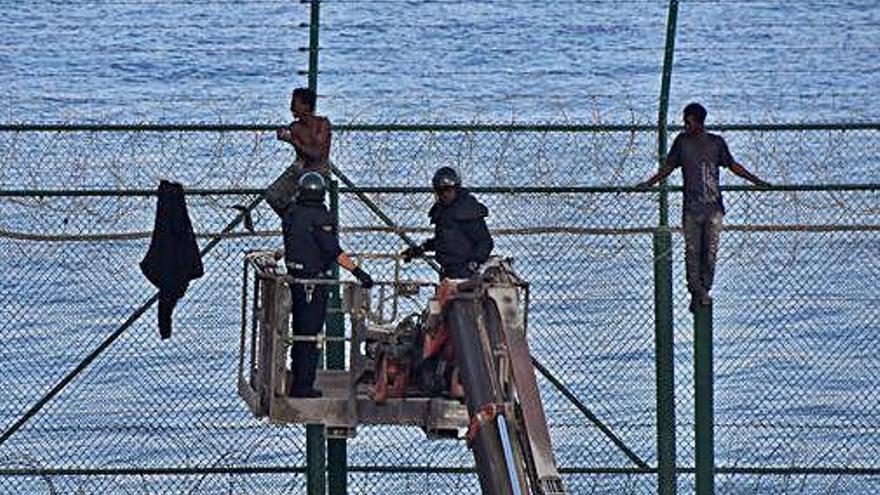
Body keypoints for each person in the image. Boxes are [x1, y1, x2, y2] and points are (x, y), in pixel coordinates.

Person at [637, 102, 771, 312]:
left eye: (688, 121)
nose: (685, 125)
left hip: (713, 208)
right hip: (692, 209)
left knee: (710, 252)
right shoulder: (682, 143)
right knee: (692, 251)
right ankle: (696, 291)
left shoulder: (716, 143)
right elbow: (669, 167)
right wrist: (648, 183)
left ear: (698, 121)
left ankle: (705, 289)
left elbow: (733, 165)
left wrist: (757, 181)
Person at [282, 171, 374, 398]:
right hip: (314, 282)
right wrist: (358, 272)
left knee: (300, 333)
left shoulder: (291, 213)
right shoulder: (319, 217)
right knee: (311, 335)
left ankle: (299, 381)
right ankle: (304, 386)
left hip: (294, 278)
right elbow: (333, 250)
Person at [402, 167, 494, 279]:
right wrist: (420, 249)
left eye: (449, 190)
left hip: (466, 272)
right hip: (448, 270)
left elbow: (485, 241)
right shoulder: (443, 210)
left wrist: (474, 262)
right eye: (441, 191)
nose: (445, 194)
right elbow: (445, 240)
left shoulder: (466, 209)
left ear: (456, 188)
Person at [267, 88, 331, 216]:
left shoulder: (322, 124)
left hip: (319, 172)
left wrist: (291, 140)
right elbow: (302, 156)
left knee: (302, 200)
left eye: (295, 103)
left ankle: (304, 220)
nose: (291, 108)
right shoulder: (295, 127)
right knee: (272, 195)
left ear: (306, 106)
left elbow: (317, 154)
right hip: (299, 170)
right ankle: (293, 221)